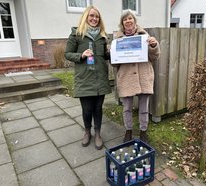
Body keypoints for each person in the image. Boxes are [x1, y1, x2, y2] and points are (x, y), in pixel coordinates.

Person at [65, 6, 111, 150]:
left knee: (98, 108)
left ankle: (97, 133)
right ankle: (87, 132)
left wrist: (114, 51)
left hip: (100, 78)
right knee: (87, 109)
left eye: (97, 17)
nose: (94, 19)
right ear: (86, 17)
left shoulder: (103, 36)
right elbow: (67, 54)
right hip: (84, 78)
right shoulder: (76, 34)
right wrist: (81, 55)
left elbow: (105, 56)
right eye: (91, 16)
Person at [114, 9, 160, 143]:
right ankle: (128, 131)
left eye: (130, 18)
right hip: (126, 78)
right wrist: (112, 53)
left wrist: (154, 45)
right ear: (122, 23)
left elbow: (155, 56)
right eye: (125, 19)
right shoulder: (118, 40)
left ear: (134, 21)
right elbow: (115, 64)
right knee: (127, 107)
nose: (128, 21)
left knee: (144, 108)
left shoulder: (145, 36)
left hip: (143, 77)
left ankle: (143, 132)